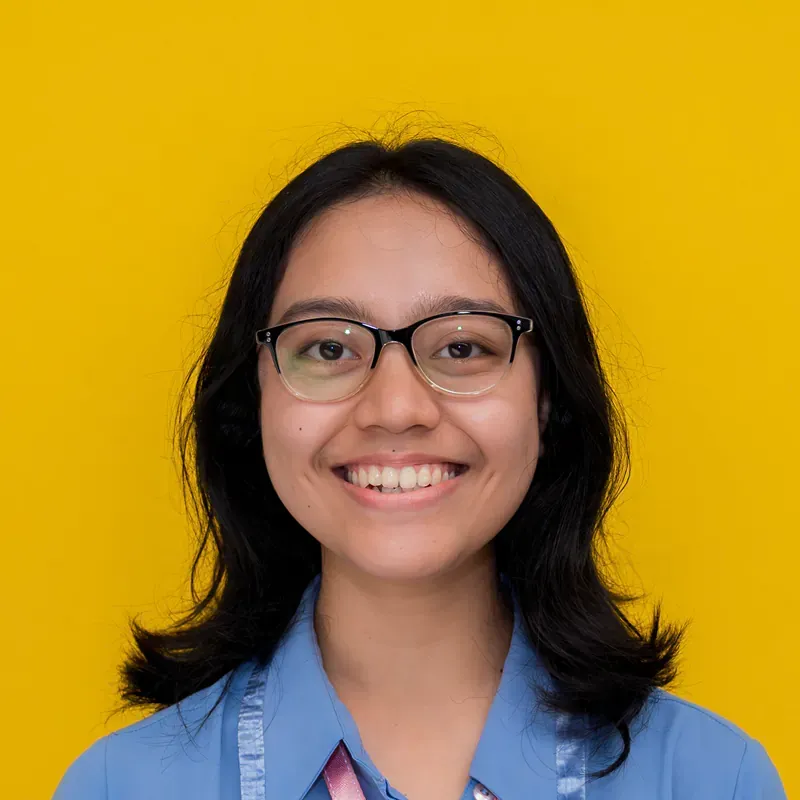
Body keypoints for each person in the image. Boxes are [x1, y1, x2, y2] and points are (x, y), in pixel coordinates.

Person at [53, 136, 786, 800]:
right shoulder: (120, 785)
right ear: (254, 401)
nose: (396, 407)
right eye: (329, 348)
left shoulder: (711, 780)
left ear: (549, 401)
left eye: (462, 347)